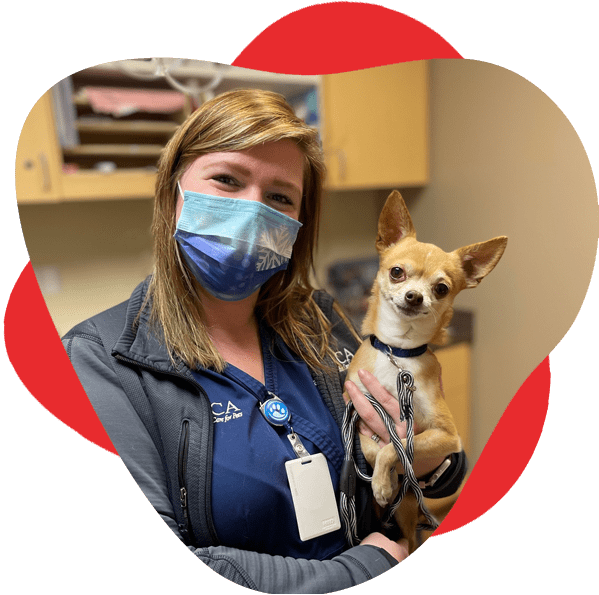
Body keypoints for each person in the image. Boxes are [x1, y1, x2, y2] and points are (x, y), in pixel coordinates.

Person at [62, 89, 467, 593]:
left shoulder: (318, 323)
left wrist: (434, 466)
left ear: (297, 225)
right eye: (227, 180)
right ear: (172, 195)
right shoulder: (102, 364)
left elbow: (401, 466)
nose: (253, 213)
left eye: (279, 197)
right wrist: (361, 569)